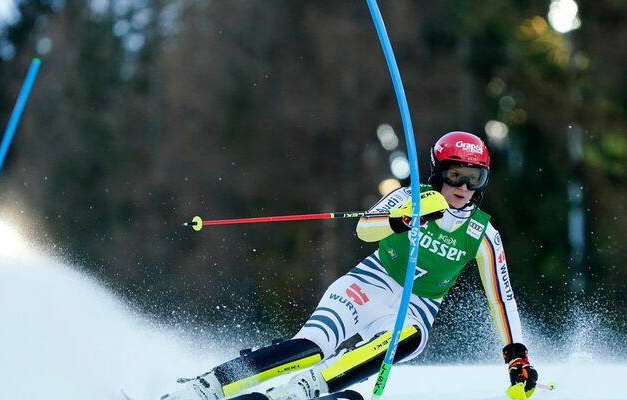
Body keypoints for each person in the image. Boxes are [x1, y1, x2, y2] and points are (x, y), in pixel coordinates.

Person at [162, 131, 538, 400]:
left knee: (409, 340)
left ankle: (303, 391)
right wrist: (403, 220)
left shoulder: (483, 234)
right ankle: (206, 387)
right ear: (438, 172)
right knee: (312, 348)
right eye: (456, 173)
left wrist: (516, 356)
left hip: (416, 307)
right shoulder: (411, 197)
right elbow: (365, 228)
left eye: (475, 177)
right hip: (369, 285)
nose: (464, 187)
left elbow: (501, 300)